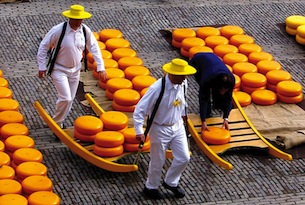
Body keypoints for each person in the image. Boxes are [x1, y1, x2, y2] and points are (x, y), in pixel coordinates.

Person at [133, 58, 196, 199]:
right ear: (173, 74)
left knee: (184, 157)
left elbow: (182, 102)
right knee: (158, 161)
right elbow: (140, 110)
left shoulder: (183, 84)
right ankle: (151, 187)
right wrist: (138, 130)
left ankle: (171, 182)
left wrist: (184, 116)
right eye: (182, 75)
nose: (185, 78)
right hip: (160, 129)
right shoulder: (157, 89)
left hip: (177, 126)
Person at [37, 4, 106, 129]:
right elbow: (44, 46)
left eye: (81, 19)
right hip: (59, 69)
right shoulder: (59, 30)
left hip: (76, 70)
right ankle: (56, 124)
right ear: (70, 18)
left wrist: (101, 67)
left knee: (70, 99)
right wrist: (42, 66)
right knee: (66, 98)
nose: (79, 22)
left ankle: (59, 121)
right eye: (77, 19)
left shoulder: (85, 31)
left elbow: (94, 47)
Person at [189, 52, 235, 132]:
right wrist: (203, 121)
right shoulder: (206, 79)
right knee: (206, 96)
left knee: (222, 99)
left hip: (213, 61)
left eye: (225, 90)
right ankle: (206, 113)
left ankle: (217, 104)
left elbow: (229, 99)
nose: (223, 92)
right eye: (221, 90)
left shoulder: (231, 80)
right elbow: (203, 99)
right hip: (198, 61)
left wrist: (226, 118)